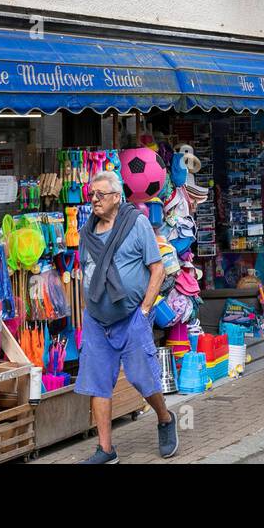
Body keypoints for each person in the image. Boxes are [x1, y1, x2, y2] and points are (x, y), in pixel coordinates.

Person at [76, 171, 178, 463]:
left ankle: (164, 417)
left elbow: (157, 269)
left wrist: (145, 309)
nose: (94, 200)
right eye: (91, 194)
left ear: (117, 197)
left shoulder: (137, 224)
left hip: (132, 315)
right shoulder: (87, 231)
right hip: (97, 318)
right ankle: (106, 449)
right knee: (97, 383)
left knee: (142, 378)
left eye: (100, 194)